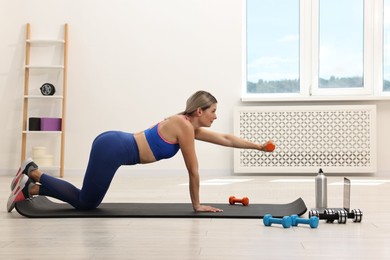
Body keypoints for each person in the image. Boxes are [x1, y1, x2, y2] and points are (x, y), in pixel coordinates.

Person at [7, 90, 275, 213]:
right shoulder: (183, 128)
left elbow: (226, 139)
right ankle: (33, 173)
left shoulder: (187, 125)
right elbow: (193, 170)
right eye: (213, 111)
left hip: (112, 142)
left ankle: (32, 187)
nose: (216, 117)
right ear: (199, 111)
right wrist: (197, 205)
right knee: (87, 202)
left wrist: (258, 146)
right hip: (111, 149)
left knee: (86, 200)